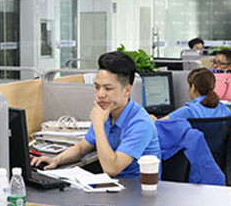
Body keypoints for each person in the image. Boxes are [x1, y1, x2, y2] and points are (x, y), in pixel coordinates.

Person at [31, 51, 160, 178]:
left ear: (127, 90)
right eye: (97, 87)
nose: (100, 94)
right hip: (113, 185)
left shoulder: (140, 123)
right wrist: (56, 160)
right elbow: (81, 148)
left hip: (137, 188)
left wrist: (98, 124)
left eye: (108, 88)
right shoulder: (107, 113)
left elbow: (112, 169)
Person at [159, 68, 231, 128]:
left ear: (193, 87)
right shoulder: (221, 108)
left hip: (194, 150)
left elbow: (159, 123)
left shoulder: (188, 111)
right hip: (217, 150)